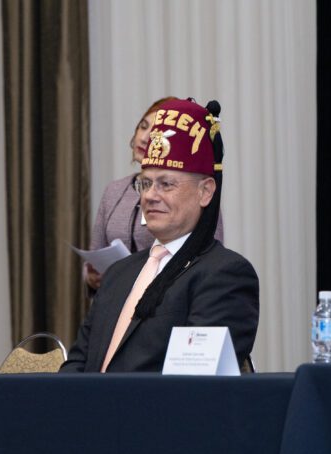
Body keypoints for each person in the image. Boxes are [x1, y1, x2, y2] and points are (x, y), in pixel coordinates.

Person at [62, 98, 259, 372]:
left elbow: (194, 385)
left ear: (205, 192)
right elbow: (77, 364)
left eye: (166, 184)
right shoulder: (118, 274)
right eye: (145, 183)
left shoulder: (224, 275)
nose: (151, 196)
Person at [85, 97, 224, 291]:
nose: (144, 138)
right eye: (143, 126)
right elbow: (95, 251)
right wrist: (92, 277)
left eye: (166, 184)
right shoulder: (114, 191)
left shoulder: (193, 192)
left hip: (166, 297)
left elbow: (208, 256)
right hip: (114, 297)